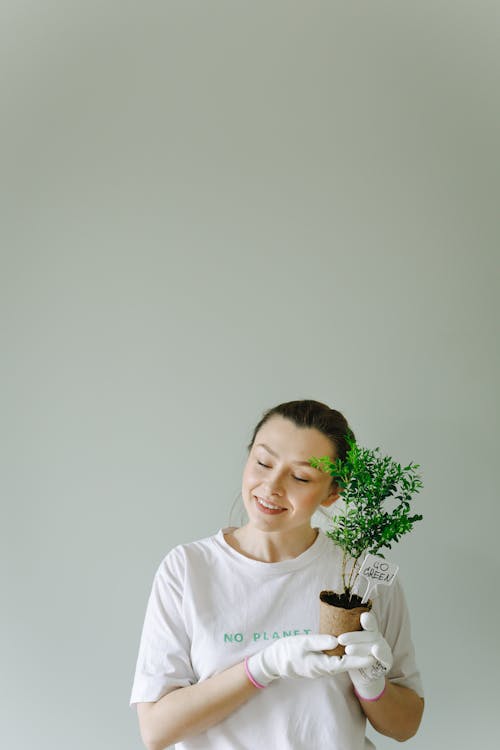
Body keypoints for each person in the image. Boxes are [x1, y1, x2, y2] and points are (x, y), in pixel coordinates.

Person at [129, 400, 424, 750]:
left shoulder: (361, 577)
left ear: (333, 492)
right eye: (263, 462)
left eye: (300, 477)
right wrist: (262, 667)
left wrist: (372, 683)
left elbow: (405, 726)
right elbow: (156, 731)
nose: (271, 486)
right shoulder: (188, 568)